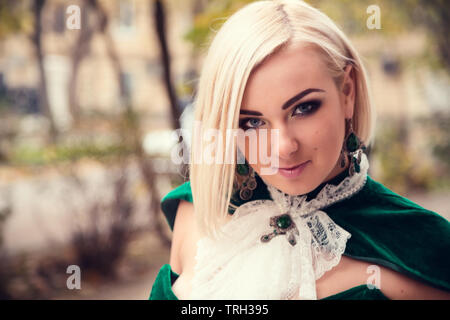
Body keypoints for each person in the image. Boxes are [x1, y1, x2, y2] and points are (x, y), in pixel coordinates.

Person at [149, 0, 450, 300]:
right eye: (252, 122)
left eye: (304, 108)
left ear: (347, 91)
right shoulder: (199, 209)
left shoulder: (424, 246)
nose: (284, 147)